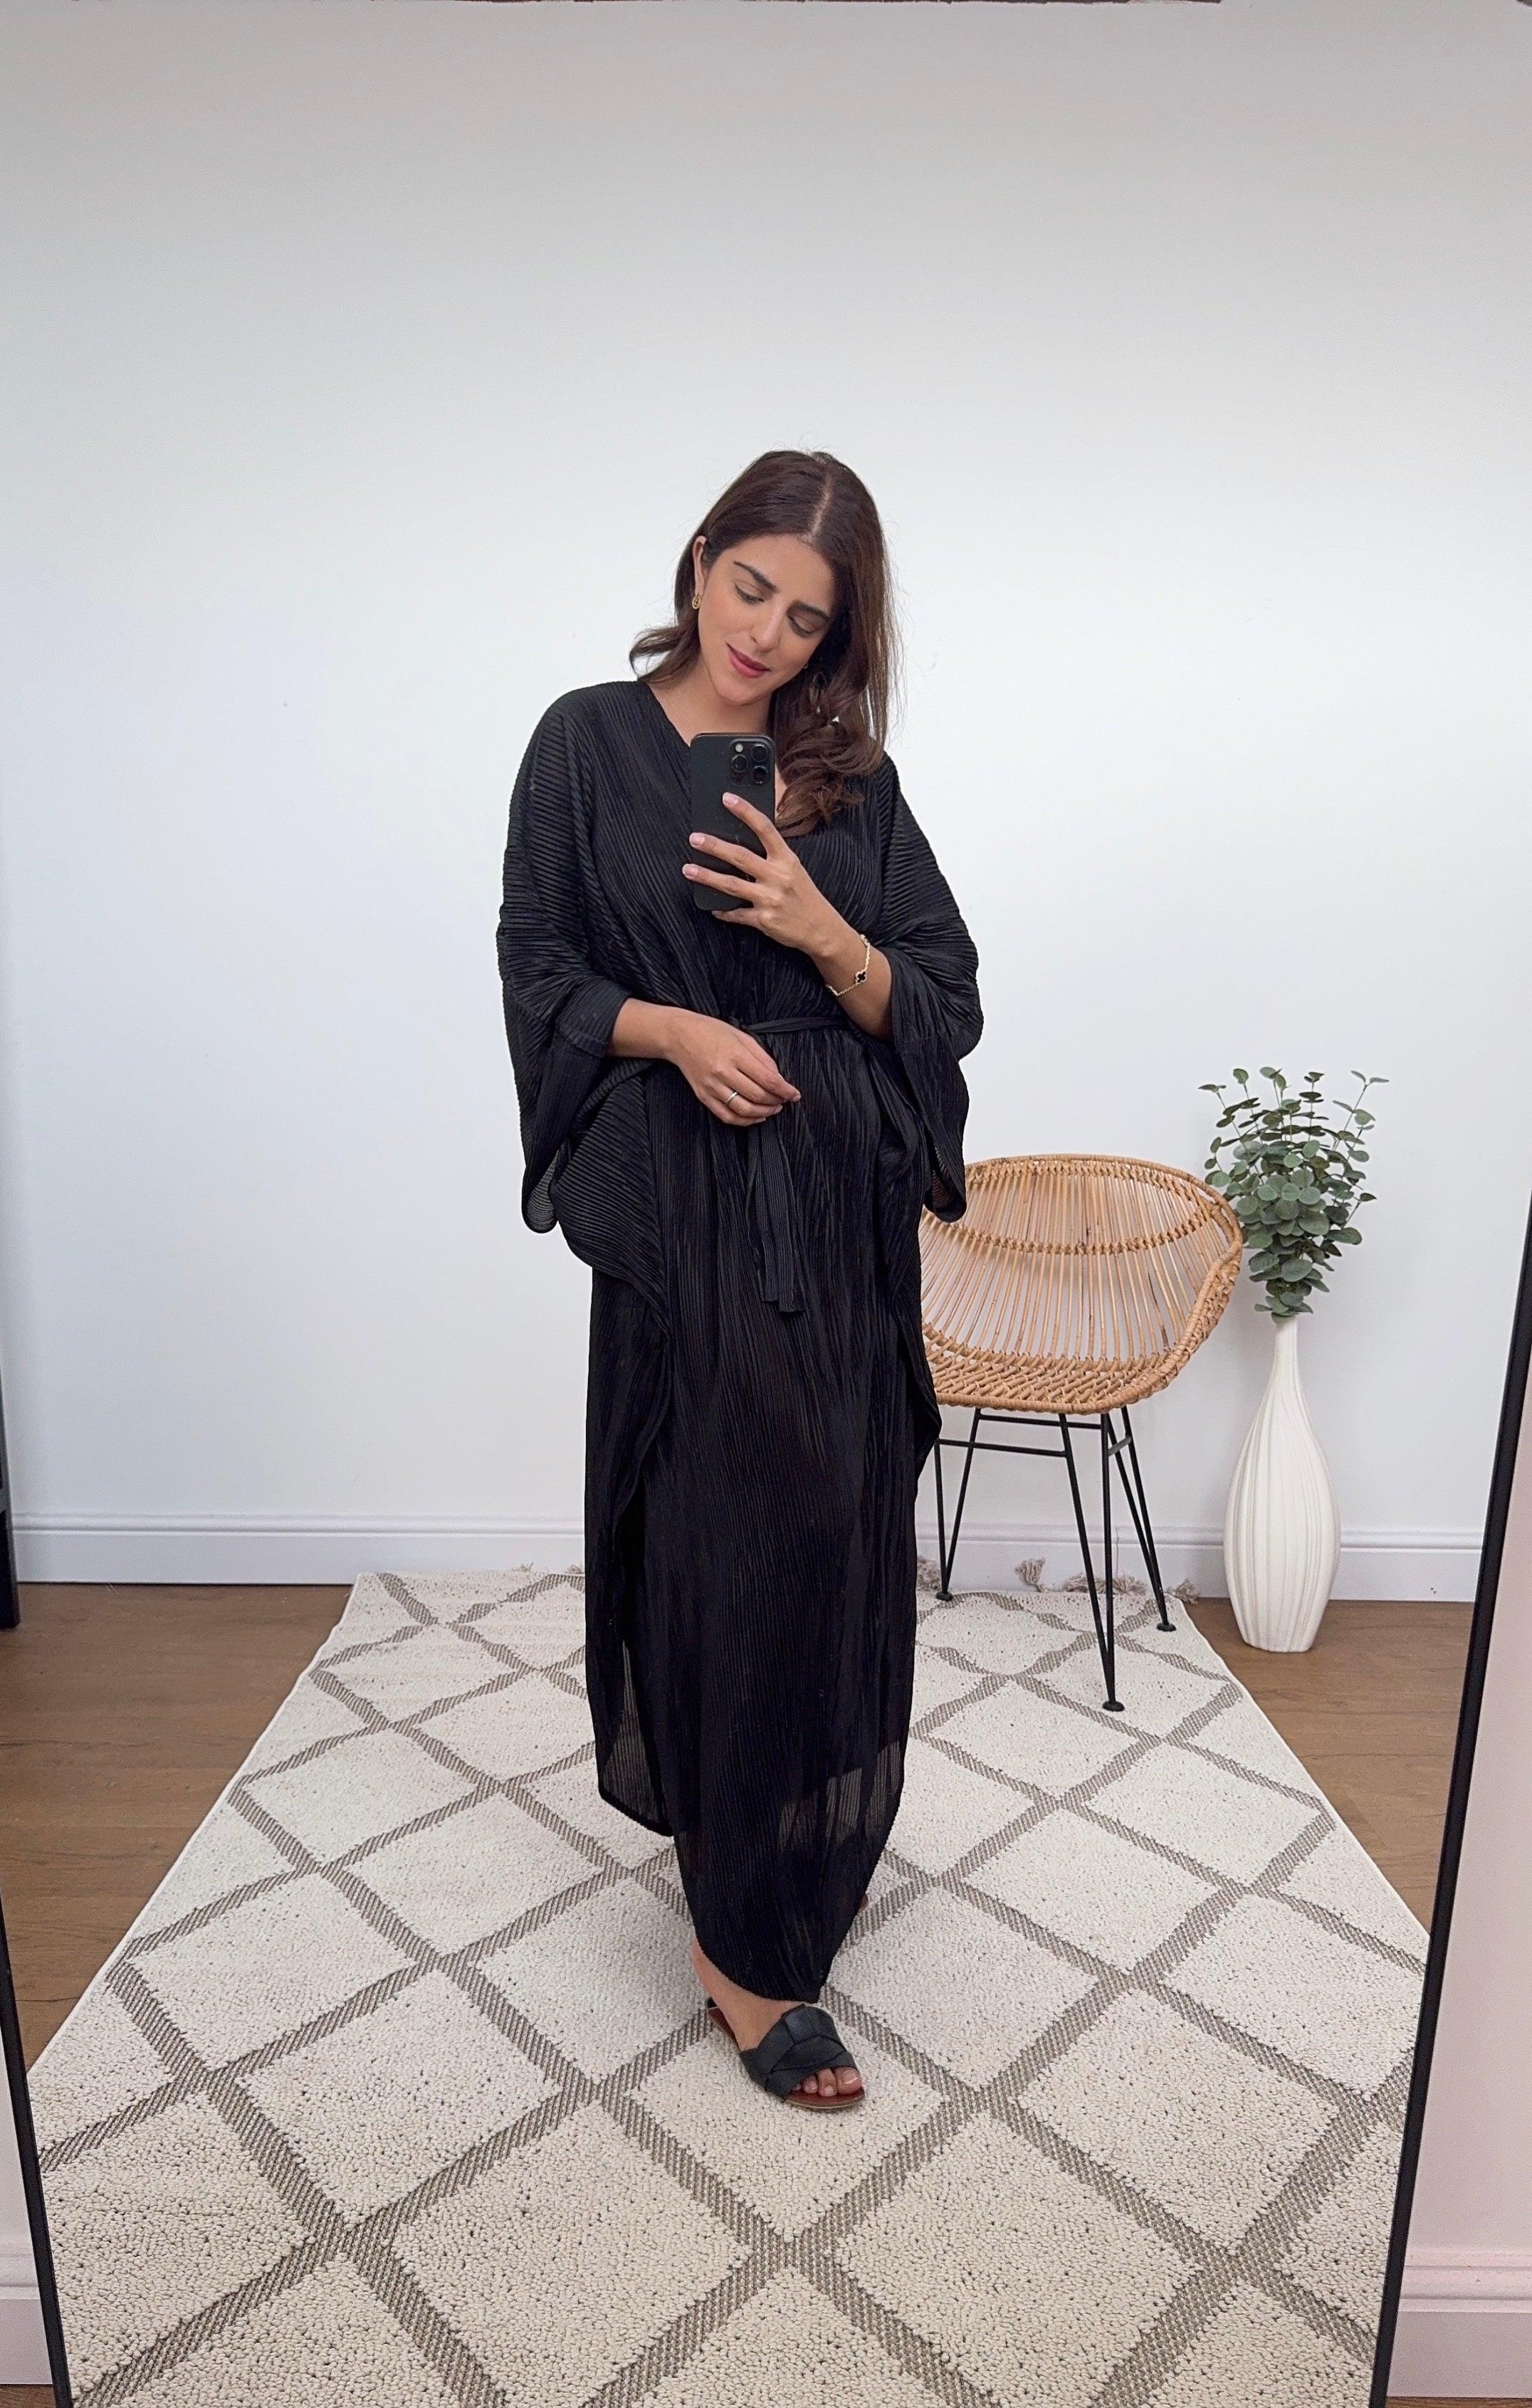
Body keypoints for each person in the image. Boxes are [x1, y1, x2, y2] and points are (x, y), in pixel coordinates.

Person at [496, 449, 982, 2111]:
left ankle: (793, 1856)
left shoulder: (848, 780)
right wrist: (674, 1030)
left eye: (806, 616)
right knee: (718, 1541)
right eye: (749, 585)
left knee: (835, 1539)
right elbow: (539, 960)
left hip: (836, 1211)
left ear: (842, 634)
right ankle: (743, 1947)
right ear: (701, 558)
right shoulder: (583, 744)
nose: (765, 632)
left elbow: (941, 995)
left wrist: (813, 930)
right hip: (684, 1213)